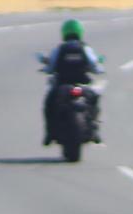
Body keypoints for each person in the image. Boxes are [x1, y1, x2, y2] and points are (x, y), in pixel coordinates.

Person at [41, 18, 104, 146]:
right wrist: (98, 69)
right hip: (83, 85)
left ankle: (49, 133)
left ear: (64, 32)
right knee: (94, 99)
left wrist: (46, 68)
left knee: (49, 103)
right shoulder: (85, 48)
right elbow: (95, 66)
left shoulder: (60, 49)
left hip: (62, 85)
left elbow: (51, 67)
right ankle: (94, 130)